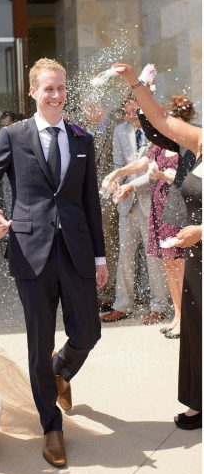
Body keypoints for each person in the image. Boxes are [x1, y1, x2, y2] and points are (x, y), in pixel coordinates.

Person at [0, 57, 108, 468]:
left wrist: (100, 256)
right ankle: (51, 427)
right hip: (31, 252)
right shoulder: (13, 135)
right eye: (48, 88)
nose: (55, 95)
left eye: (61, 88)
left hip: (78, 250)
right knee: (39, 341)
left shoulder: (82, 138)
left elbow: (89, 202)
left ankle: (58, 373)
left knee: (89, 332)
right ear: (32, 92)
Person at [113, 63, 201, 430]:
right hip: (198, 254)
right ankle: (199, 401)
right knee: (197, 328)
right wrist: (135, 82)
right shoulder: (198, 141)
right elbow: (161, 119)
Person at [105, 95, 196, 338]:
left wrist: (164, 176)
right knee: (168, 262)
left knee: (181, 263)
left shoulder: (190, 142)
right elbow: (143, 163)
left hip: (179, 207)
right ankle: (178, 315)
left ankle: (187, 317)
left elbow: (192, 178)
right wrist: (120, 172)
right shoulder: (161, 142)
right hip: (160, 209)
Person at [101, 97, 168, 324]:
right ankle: (122, 304)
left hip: (152, 202)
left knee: (153, 257)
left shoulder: (157, 130)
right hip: (127, 204)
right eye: (127, 112)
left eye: (134, 112)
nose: (130, 117)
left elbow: (153, 169)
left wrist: (130, 186)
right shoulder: (120, 130)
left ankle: (158, 306)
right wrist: (116, 185)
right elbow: (119, 164)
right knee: (125, 255)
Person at [81, 100, 122, 311]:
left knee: (108, 243)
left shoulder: (115, 126)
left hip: (109, 197)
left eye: (86, 108)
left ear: (97, 106)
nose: (84, 113)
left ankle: (109, 292)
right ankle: (98, 289)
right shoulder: (90, 130)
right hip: (91, 196)